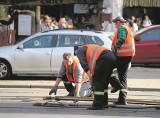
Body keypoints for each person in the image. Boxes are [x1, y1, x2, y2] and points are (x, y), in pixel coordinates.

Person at [76, 44, 117, 110]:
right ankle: (104, 103)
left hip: (104, 59)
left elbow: (83, 63)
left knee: (98, 82)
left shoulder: (79, 51)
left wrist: (90, 76)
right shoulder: (89, 47)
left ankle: (97, 104)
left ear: (76, 50)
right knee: (104, 82)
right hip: (112, 57)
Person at [112, 16, 135, 105]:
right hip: (125, 56)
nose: (114, 24)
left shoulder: (122, 28)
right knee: (122, 77)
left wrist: (115, 47)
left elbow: (121, 38)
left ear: (119, 22)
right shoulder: (126, 28)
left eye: (115, 23)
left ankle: (122, 98)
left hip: (123, 56)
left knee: (121, 76)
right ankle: (122, 98)